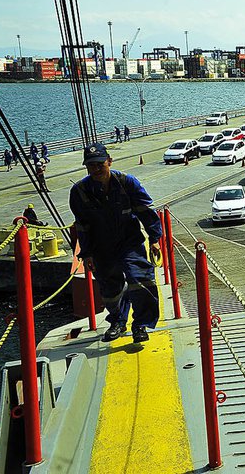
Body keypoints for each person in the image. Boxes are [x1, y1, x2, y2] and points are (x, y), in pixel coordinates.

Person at [69, 142, 163, 344]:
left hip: (129, 241)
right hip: (101, 246)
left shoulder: (127, 183)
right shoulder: (80, 192)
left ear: (109, 161)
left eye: (99, 164)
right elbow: (82, 226)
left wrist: (155, 239)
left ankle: (141, 324)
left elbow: (146, 211)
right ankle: (118, 322)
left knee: (140, 279)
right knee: (110, 289)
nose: (95, 169)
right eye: (90, 166)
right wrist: (86, 254)